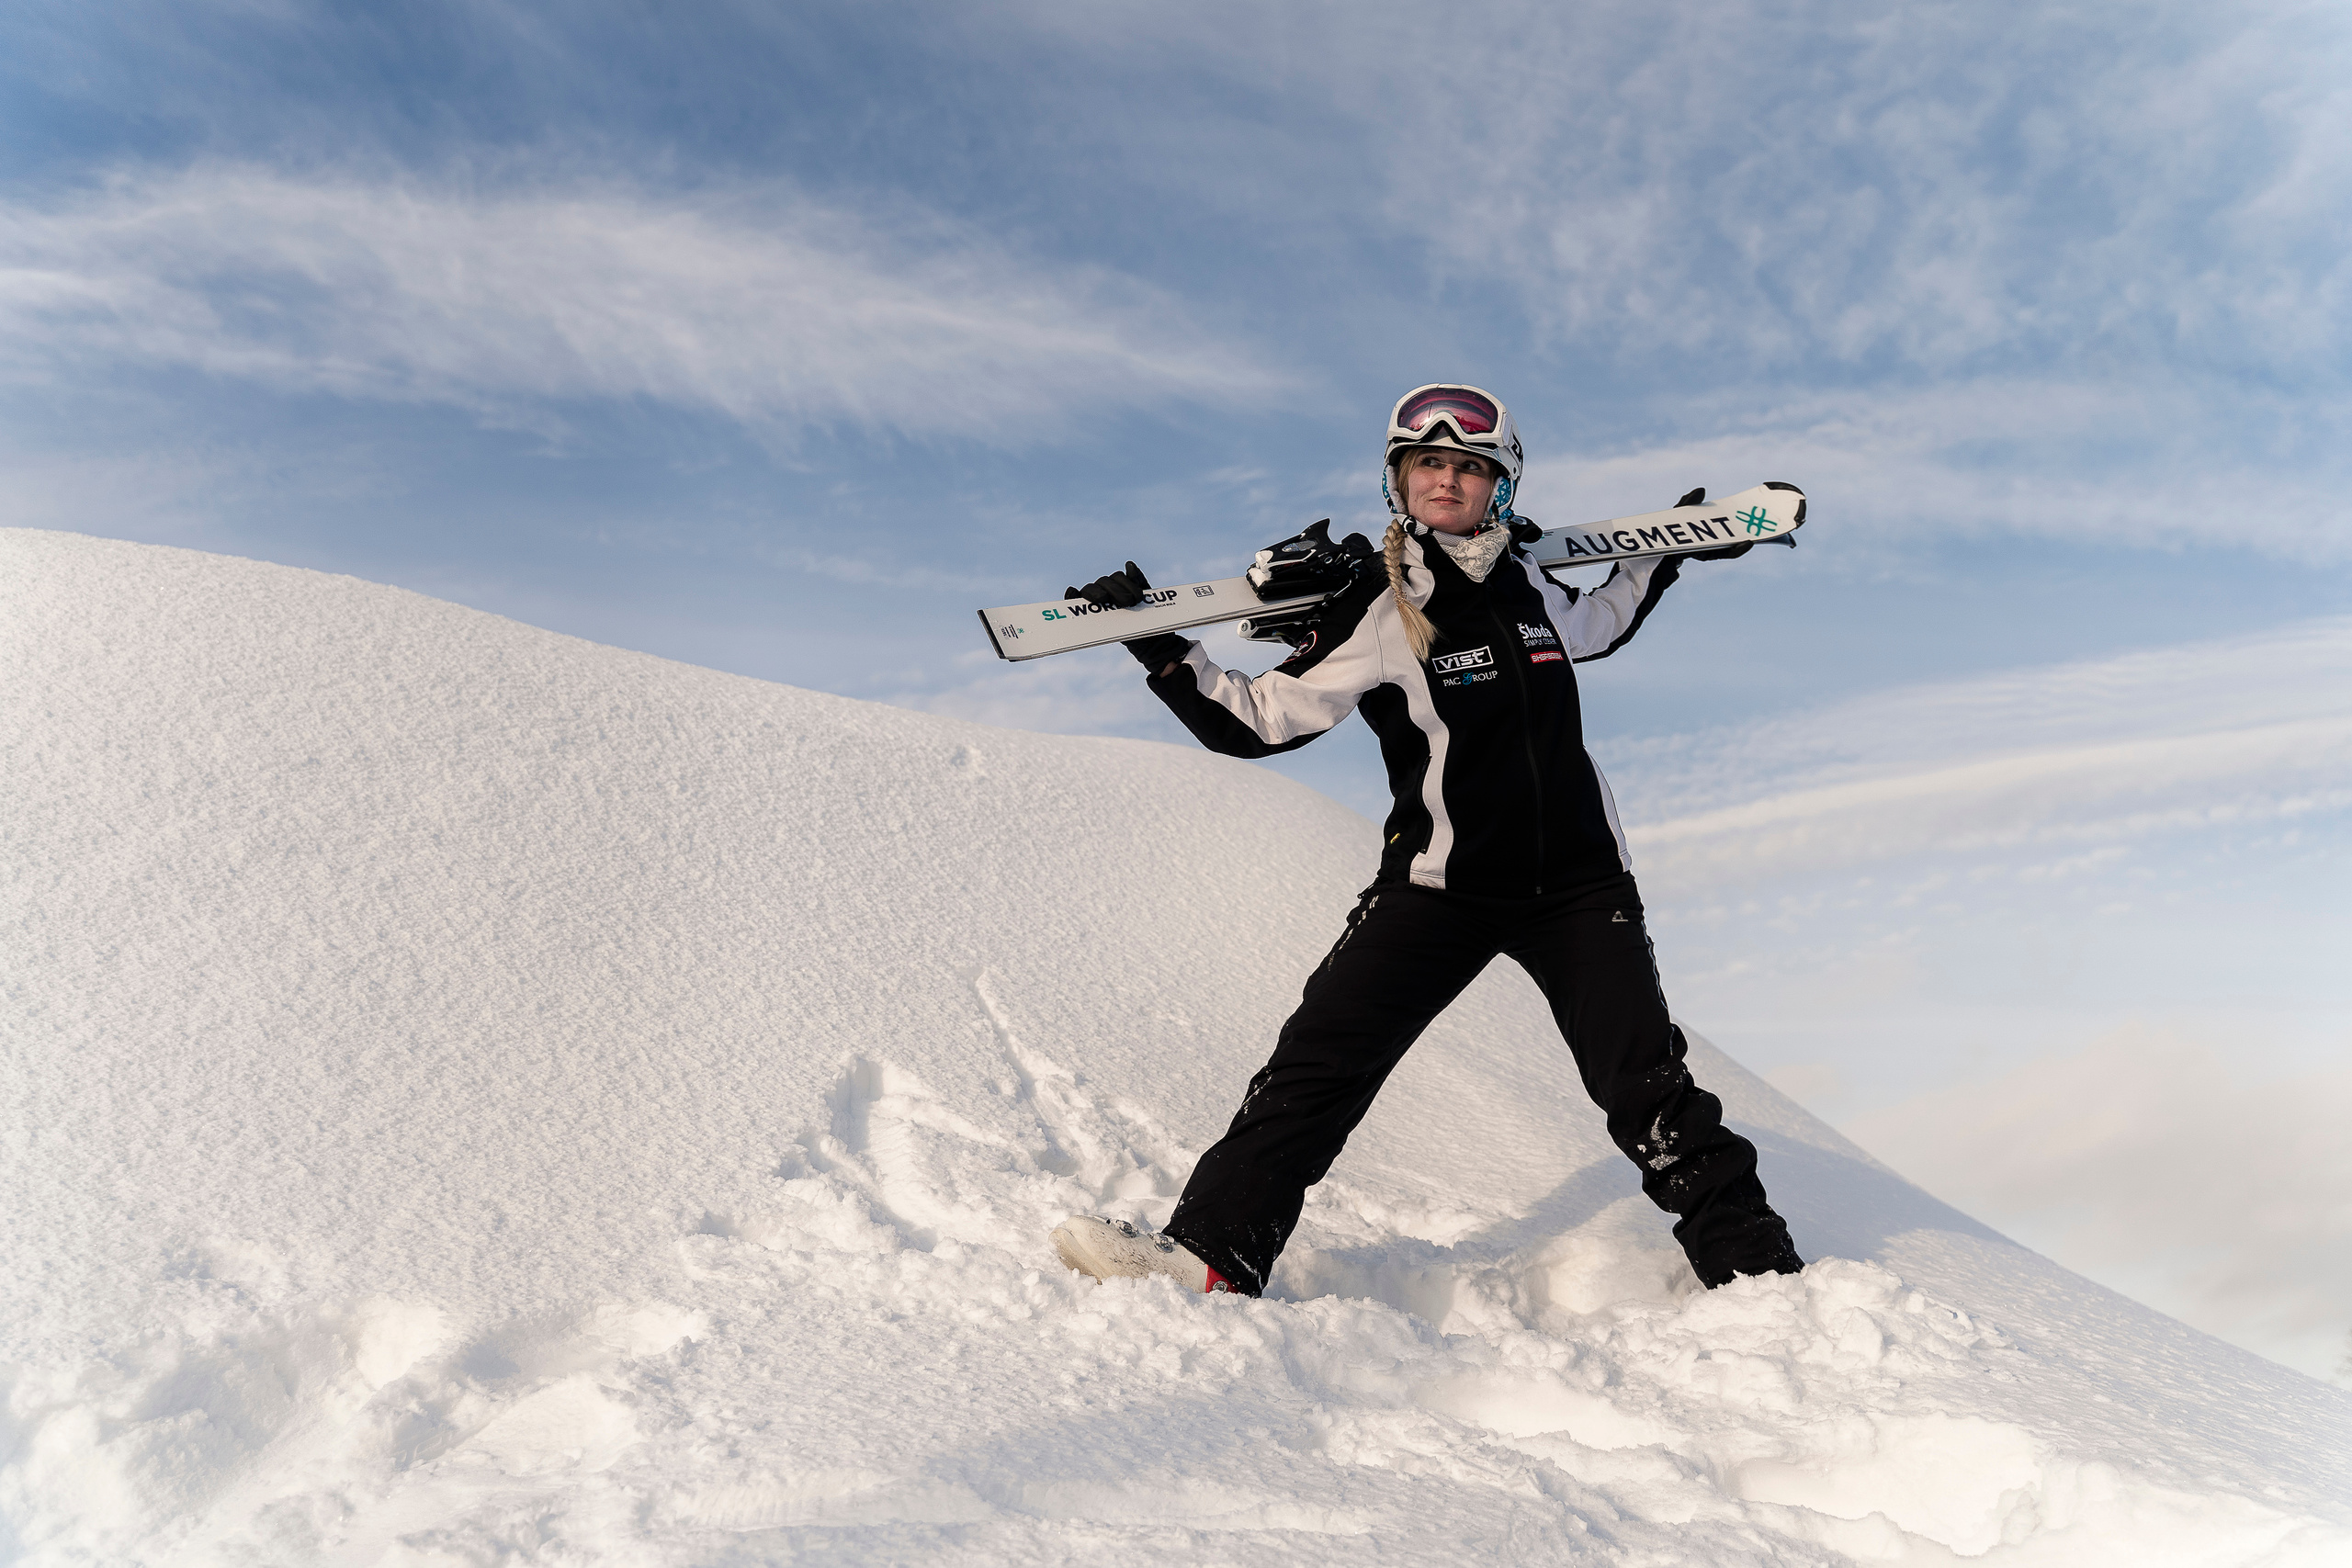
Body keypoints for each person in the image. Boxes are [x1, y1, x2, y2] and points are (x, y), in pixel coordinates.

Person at [1051, 384, 1803, 1297]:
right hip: (1438, 887)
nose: (1446, 480)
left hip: (1580, 888)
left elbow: (1597, 624)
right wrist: (1166, 653)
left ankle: (1758, 1274)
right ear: (1397, 481)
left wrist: (1668, 552)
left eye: (1469, 468)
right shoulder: (1374, 604)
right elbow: (1256, 720)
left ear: (1501, 486)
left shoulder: (1529, 585)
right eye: (1428, 465)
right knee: (1316, 1068)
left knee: (1647, 1086)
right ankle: (1213, 1255)